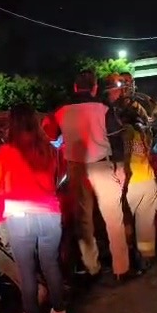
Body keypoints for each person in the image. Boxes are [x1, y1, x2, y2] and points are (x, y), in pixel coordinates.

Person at [0, 104, 67, 313]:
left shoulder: (6, 151)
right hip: (50, 213)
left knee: (26, 269)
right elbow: (54, 181)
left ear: (12, 123)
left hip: (20, 215)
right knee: (51, 263)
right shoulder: (49, 149)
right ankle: (60, 312)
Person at [53, 70, 130, 281]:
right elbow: (116, 139)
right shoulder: (103, 109)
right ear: (95, 87)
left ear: (75, 87)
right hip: (101, 165)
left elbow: (53, 137)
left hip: (76, 168)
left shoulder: (61, 112)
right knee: (113, 217)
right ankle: (121, 268)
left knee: (83, 220)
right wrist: (120, 167)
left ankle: (91, 267)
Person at [104, 74, 157, 272]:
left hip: (127, 182)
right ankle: (146, 258)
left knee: (125, 222)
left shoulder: (118, 131)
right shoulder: (144, 130)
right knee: (145, 224)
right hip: (146, 178)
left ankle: (130, 258)